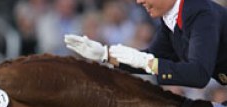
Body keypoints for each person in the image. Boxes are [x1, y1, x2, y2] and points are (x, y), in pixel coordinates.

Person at [64, 0, 227, 89]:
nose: (139, 1)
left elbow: (198, 74)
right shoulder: (170, 19)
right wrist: (105, 55)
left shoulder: (201, 13)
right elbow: (152, 57)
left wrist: (150, 63)